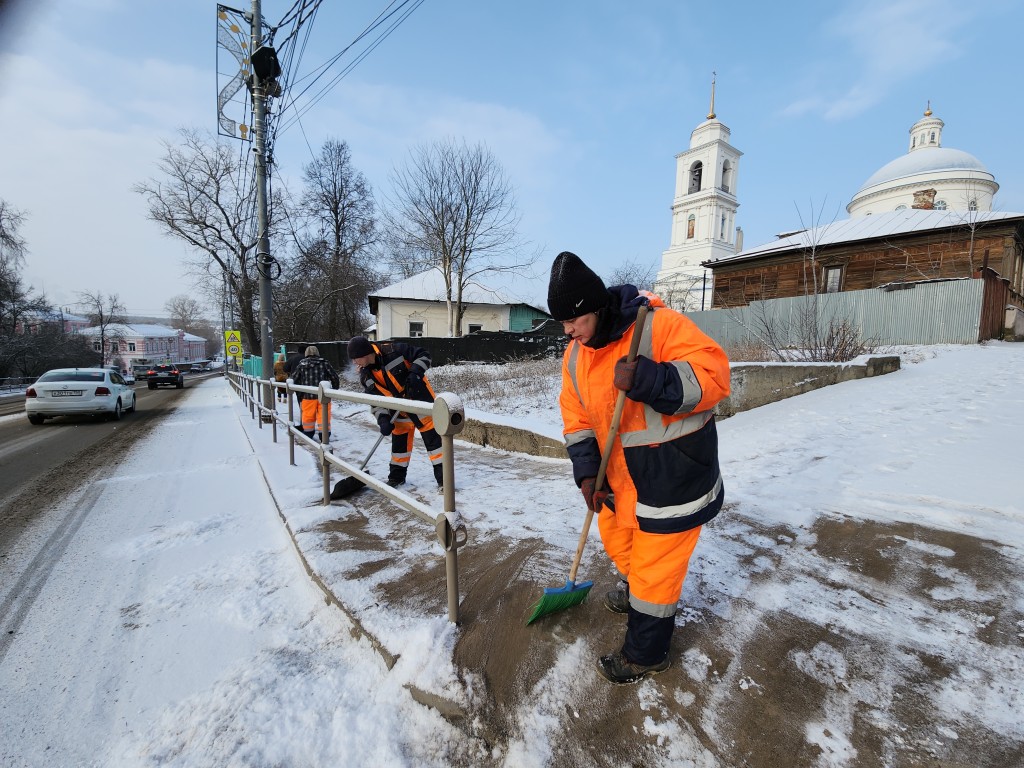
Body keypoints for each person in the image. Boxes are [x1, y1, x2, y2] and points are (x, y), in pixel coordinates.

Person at [546, 250, 731, 685]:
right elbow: (576, 421)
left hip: (672, 476)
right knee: (620, 545)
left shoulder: (658, 326)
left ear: (596, 307)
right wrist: (588, 474)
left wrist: (654, 380)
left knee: (654, 571)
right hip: (619, 481)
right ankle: (637, 592)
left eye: (575, 321)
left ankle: (645, 654)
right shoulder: (575, 356)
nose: (569, 331)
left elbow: (716, 375)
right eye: (564, 325)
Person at [347, 335, 445, 491]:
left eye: (355, 358)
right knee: (399, 449)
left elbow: (424, 355)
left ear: (365, 354)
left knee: (435, 446)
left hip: (420, 404)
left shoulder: (394, 350)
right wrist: (383, 419)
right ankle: (396, 479)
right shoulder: (366, 376)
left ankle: (445, 482)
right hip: (398, 413)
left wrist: (415, 373)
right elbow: (376, 402)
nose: (354, 362)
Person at [291, 345, 340, 441]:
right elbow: (334, 377)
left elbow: (294, 379)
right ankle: (324, 435)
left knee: (308, 416)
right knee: (324, 416)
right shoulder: (324, 363)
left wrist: (299, 392)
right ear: (317, 353)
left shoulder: (301, 365)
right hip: (323, 396)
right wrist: (334, 389)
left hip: (307, 396)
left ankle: (309, 432)